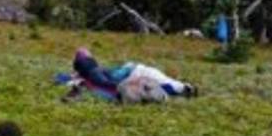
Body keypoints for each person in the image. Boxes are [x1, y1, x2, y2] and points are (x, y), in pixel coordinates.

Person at [65, 47, 196, 101]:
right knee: (161, 81)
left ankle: (183, 88)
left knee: (103, 79)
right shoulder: (166, 86)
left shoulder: (92, 76)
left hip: (132, 72)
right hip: (134, 71)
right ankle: (183, 88)